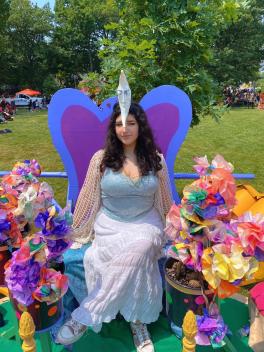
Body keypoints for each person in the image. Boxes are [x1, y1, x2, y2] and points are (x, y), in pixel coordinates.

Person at [56, 72, 173, 352]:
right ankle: (137, 322)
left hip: (147, 222)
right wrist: (73, 230)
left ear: (139, 127)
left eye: (130, 123)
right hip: (110, 224)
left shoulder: (156, 160)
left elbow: (166, 200)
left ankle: (84, 317)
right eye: (119, 124)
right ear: (114, 128)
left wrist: (177, 230)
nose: (125, 129)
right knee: (106, 254)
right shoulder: (101, 159)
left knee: (142, 246)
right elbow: (86, 199)